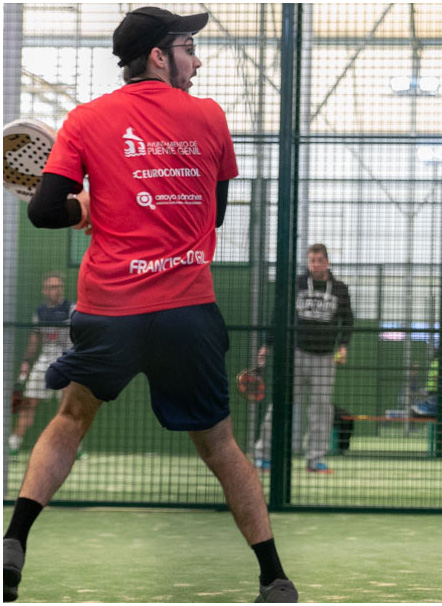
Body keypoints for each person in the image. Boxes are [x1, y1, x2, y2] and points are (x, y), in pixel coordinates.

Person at [2, 8, 297, 603]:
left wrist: (90, 209)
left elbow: (43, 211)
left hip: (109, 310)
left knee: (71, 419)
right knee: (219, 445)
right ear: (159, 56)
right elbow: (214, 214)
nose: (198, 60)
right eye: (189, 47)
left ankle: (14, 540)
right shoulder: (210, 116)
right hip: (187, 309)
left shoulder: (86, 120)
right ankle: (274, 577)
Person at [255, 243, 354, 474]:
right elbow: (279, 313)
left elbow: (348, 320)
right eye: (312, 260)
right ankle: (264, 456)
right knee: (281, 404)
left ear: (327, 262)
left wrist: (343, 346)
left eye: (319, 260)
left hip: (325, 358)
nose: (315, 265)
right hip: (295, 355)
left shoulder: (340, 289)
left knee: (321, 409)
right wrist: (267, 344)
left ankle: (315, 460)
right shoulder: (297, 284)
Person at [8, 273, 77, 459]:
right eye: (53, 287)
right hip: (43, 365)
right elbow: (34, 339)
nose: (57, 290)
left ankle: (74, 448)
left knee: (67, 408)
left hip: (66, 364)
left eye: (59, 286)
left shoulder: (71, 309)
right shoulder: (39, 312)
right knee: (28, 404)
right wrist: (26, 362)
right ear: (45, 290)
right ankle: (13, 444)